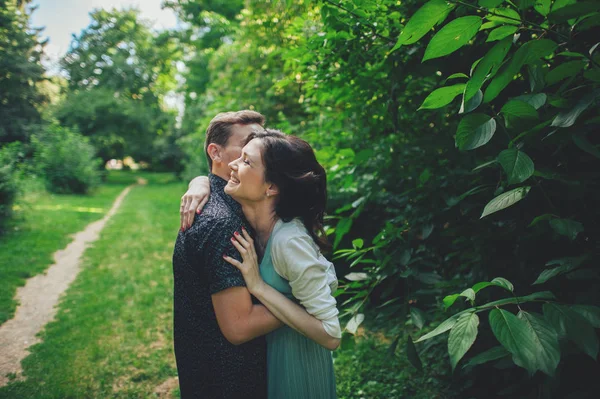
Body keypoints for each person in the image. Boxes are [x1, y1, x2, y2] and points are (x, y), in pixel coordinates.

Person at [183, 129, 341, 398]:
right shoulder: (257, 229)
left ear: (272, 187)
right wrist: (199, 181)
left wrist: (259, 288)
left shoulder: (289, 241)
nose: (233, 164)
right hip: (273, 360)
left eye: (246, 161)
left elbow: (331, 335)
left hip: (298, 369)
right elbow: (217, 175)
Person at [172, 110, 282, 398]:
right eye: (247, 143)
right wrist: (307, 304)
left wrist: (201, 179)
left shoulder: (229, 203)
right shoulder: (223, 223)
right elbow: (239, 327)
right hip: (228, 377)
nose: (259, 150)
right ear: (215, 152)